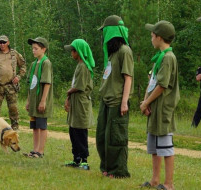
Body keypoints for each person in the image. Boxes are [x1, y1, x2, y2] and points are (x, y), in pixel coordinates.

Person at [140, 20, 179, 190]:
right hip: (153, 108)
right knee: (155, 147)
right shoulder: (159, 58)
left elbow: (162, 85)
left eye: (152, 35)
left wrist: (147, 102)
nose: (151, 38)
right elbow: (153, 82)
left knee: (165, 147)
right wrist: (145, 101)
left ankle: (168, 184)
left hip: (163, 109)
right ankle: (155, 180)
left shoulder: (169, 58)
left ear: (160, 37)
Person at [96, 15, 133, 178]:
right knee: (103, 136)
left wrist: (124, 102)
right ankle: (107, 167)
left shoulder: (125, 51)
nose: (103, 35)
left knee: (116, 138)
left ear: (111, 32)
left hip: (117, 101)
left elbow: (128, 78)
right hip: (106, 100)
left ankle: (118, 171)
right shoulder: (112, 53)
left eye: (104, 31)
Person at [63, 39, 94, 170]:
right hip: (75, 101)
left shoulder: (84, 66)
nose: (72, 53)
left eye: (73, 50)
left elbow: (79, 86)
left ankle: (84, 161)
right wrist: (68, 98)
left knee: (80, 131)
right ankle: (76, 159)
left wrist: (68, 92)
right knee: (73, 130)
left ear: (79, 52)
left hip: (81, 103)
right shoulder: (79, 65)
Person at [0, 35, 26, 130]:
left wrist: (18, 77)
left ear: (8, 43)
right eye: (0, 42)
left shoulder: (14, 54)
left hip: (11, 85)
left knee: (13, 108)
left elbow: (23, 65)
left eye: (4, 42)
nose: (2, 44)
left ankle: (15, 127)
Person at [23, 37, 53, 158]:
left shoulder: (46, 63)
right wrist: (29, 100)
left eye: (36, 48)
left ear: (43, 49)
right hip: (34, 100)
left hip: (41, 99)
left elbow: (47, 83)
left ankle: (40, 151)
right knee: (34, 126)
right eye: (32, 48)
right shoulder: (33, 64)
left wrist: (43, 101)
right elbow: (31, 84)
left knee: (41, 125)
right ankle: (34, 150)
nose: (33, 51)